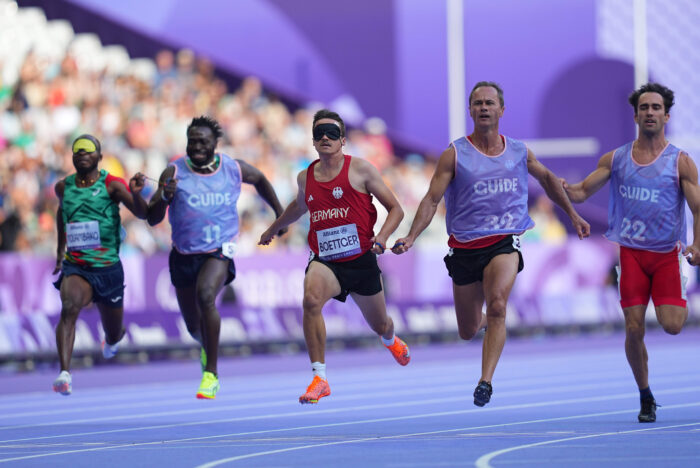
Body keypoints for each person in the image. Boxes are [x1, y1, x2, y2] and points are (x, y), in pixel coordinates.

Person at [392, 81, 590, 407]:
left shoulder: (518, 151)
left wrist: (572, 214)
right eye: (478, 103)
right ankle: (487, 326)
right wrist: (412, 236)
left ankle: (485, 381)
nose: (484, 108)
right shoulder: (454, 154)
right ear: (470, 111)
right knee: (468, 329)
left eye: (489, 103)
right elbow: (430, 199)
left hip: (504, 241)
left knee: (497, 304)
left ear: (501, 110)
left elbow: (548, 179)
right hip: (464, 247)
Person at [563, 83, 700, 423]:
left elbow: (698, 208)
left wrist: (697, 244)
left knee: (672, 326)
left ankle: (648, 390)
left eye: (656, 107)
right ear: (636, 115)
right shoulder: (617, 158)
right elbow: (579, 194)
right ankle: (645, 395)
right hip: (632, 256)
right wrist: (556, 184)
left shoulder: (680, 162)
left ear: (666, 116)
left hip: (666, 254)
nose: (649, 112)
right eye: (644, 108)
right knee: (634, 328)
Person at [259, 109, 409, 404]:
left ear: (343, 140)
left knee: (380, 324)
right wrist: (274, 228)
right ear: (313, 142)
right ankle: (320, 377)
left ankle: (390, 339)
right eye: (319, 133)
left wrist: (381, 237)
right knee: (311, 300)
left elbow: (396, 209)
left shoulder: (361, 170)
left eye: (331, 132)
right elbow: (299, 207)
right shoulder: (305, 177)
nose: (324, 138)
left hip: (361, 260)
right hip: (325, 259)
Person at [146, 116, 285, 400]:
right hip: (184, 254)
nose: (197, 146)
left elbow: (259, 179)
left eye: (203, 142)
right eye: (192, 141)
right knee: (193, 326)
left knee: (207, 295)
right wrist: (163, 195)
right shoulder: (173, 171)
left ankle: (211, 373)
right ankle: (205, 344)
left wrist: (279, 214)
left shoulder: (231, 169)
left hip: (219, 250)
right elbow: (152, 217)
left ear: (215, 145)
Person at [52, 134, 148, 395]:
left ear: (99, 157)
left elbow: (143, 214)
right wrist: (61, 251)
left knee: (114, 331)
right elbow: (62, 215)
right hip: (77, 266)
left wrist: (137, 195)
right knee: (69, 307)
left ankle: (115, 337)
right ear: (72, 158)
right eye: (77, 150)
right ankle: (64, 373)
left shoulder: (112, 185)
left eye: (88, 149)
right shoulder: (63, 187)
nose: (82, 153)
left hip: (108, 270)